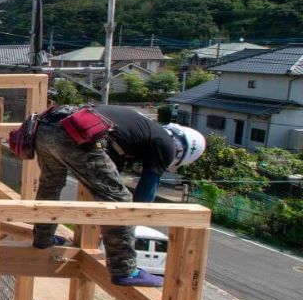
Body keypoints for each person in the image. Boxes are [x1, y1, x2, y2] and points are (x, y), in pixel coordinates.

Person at [32, 103, 205, 287]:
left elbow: (103, 171)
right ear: (182, 152)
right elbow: (144, 195)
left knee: (50, 184)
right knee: (121, 201)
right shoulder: (167, 145)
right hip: (75, 132)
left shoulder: (141, 129)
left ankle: (43, 238)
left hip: (46, 126)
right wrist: (129, 223)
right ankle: (125, 270)